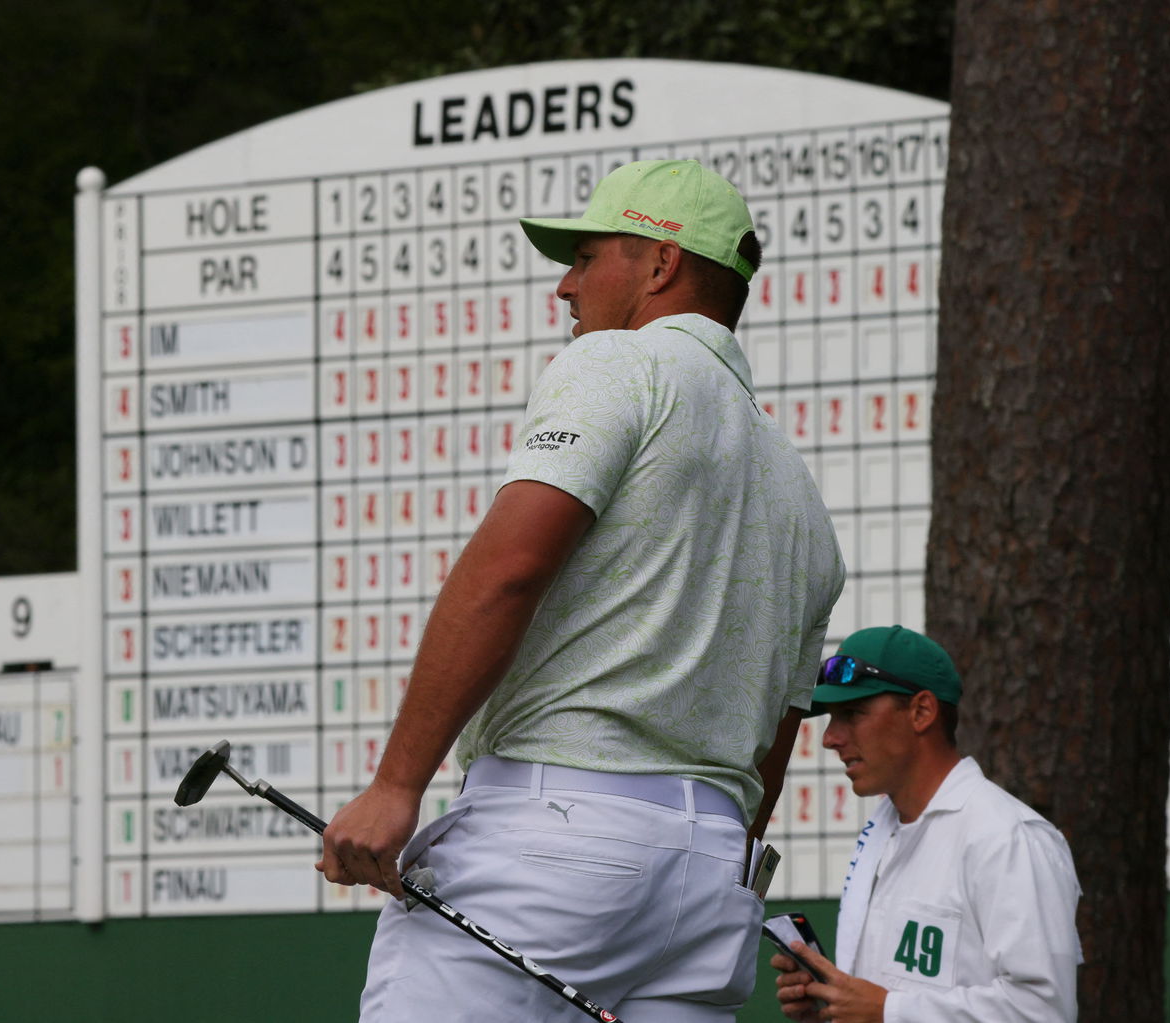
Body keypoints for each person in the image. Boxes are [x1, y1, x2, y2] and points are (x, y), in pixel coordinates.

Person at [319, 158, 845, 1020]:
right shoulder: (801, 493)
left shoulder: (619, 364)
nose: (566, 285)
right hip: (711, 881)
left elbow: (509, 568)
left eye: (586, 254)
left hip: (556, 845)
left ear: (659, 263)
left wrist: (394, 786)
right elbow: (775, 738)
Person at [772, 625, 1082, 1023]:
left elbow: (1045, 1011)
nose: (830, 737)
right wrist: (831, 1006)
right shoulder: (884, 829)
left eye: (853, 714)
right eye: (833, 717)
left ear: (922, 711)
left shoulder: (1009, 837)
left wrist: (887, 1011)